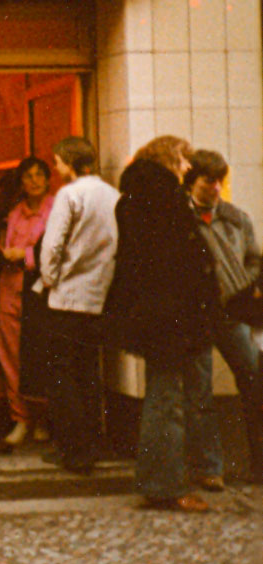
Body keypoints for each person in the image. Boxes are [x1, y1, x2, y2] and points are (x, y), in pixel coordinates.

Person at [106, 135, 220, 511]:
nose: (188, 168)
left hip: (155, 314)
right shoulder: (163, 198)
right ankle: (164, 485)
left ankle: (163, 480)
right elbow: (176, 263)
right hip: (169, 315)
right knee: (166, 398)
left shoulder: (136, 198)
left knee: (164, 394)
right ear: (170, 160)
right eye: (184, 160)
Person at [37, 136, 119, 475]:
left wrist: (50, 279)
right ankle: (91, 444)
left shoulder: (69, 195)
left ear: (69, 162)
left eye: (57, 163)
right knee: (88, 371)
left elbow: (52, 246)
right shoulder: (113, 195)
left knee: (60, 374)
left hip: (67, 296)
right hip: (98, 295)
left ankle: (74, 450)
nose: (56, 169)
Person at [184, 149, 263, 484]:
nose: (214, 188)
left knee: (254, 381)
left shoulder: (235, 217)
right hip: (197, 314)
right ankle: (209, 469)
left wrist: (245, 286)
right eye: (207, 181)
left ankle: (259, 464)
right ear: (192, 182)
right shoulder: (179, 219)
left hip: (234, 310)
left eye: (219, 181)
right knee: (199, 391)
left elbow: (255, 258)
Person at [0, 156, 54, 445]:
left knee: (40, 358)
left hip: (41, 295)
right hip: (10, 290)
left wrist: (25, 256)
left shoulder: (55, 210)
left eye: (40, 175)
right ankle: (20, 419)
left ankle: (43, 419)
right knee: (11, 356)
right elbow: (5, 246)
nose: (35, 181)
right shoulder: (15, 213)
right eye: (29, 176)